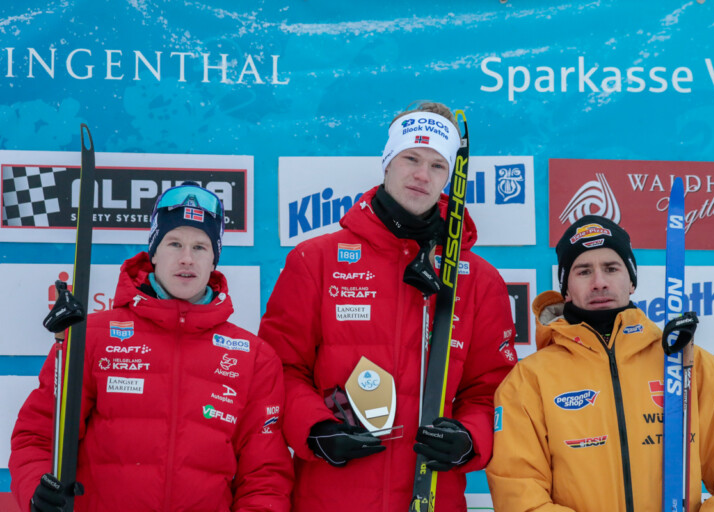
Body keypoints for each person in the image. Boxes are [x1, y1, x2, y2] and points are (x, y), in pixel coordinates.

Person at [258, 101, 517, 511]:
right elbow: (278, 368)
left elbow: (494, 391)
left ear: (449, 177)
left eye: (437, 165)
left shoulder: (479, 279)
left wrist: (469, 439)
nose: (421, 175)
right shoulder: (317, 260)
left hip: (431, 497)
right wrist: (315, 428)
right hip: (331, 496)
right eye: (411, 158)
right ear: (387, 161)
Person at [10, 182, 293, 512]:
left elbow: (263, 476)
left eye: (200, 247)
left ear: (215, 259)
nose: (186, 258)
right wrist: (37, 491)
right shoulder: (94, 337)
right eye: (174, 243)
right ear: (154, 252)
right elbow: (39, 436)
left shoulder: (253, 356)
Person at [487, 214, 714, 511]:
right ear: (566, 289)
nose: (599, 283)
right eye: (583, 271)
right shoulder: (529, 380)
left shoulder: (691, 366)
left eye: (611, 268)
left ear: (631, 280)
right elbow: (518, 492)